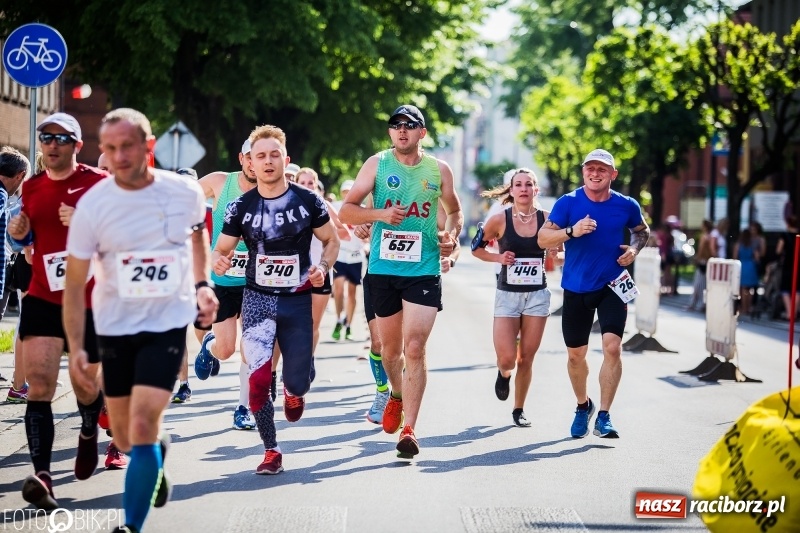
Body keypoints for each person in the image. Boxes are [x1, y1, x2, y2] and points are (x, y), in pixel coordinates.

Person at [63, 108, 218, 533]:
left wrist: (202, 283)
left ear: (148, 146)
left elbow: (196, 233)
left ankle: (131, 526)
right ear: (101, 152)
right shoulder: (93, 205)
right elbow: (75, 285)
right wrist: (77, 345)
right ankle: (155, 457)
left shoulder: (182, 192)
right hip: (115, 326)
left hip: (167, 321)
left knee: (144, 422)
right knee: (129, 437)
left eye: (127, 145)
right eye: (109, 148)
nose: (118, 155)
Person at [212, 124, 339, 474]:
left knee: (297, 381)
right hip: (257, 300)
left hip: (297, 300)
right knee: (257, 379)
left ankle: (294, 389)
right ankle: (271, 450)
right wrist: (220, 260)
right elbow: (221, 249)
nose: (267, 162)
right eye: (259, 156)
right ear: (250, 162)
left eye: (273, 155)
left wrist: (324, 266)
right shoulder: (240, 206)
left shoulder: (307, 200)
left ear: (285, 159)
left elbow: (331, 240)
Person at [339, 104, 462, 458]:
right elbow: (347, 210)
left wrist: (450, 235)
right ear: (391, 132)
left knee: (416, 347)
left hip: (423, 269)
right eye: (396, 125)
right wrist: (378, 214)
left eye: (410, 126)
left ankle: (410, 429)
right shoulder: (377, 164)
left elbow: (454, 211)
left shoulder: (439, 170)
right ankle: (395, 392)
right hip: (382, 269)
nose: (402, 131)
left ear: (422, 132)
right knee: (390, 351)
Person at [7, 113, 109, 509]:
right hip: (44, 297)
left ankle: (88, 429)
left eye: (61, 138)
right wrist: (21, 236)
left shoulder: (99, 186)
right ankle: (43, 477)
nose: (51, 144)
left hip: (89, 303)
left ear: (77, 146)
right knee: (41, 386)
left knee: (85, 383)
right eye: (45, 138)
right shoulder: (30, 188)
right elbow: (31, 237)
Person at [537, 148, 649, 439]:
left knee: (612, 347)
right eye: (590, 168)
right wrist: (572, 231)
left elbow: (642, 230)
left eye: (602, 169)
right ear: (583, 171)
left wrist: (635, 249)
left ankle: (604, 415)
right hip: (576, 287)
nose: (595, 173)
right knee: (576, 355)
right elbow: (543, 238)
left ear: (613, 174)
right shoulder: (568, 203)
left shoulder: (626, 205)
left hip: (613, 285)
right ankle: (583, 405)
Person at [472, 168, 558, 427]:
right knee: (508, 358)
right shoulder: (499, 219)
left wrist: (556, 251)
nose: (523, 189)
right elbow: (476, 249)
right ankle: (503, 373)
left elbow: (560, 251)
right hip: (507, 295)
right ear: (511, 190)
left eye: (528, 184)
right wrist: (499, 258)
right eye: (518, 184)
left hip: (537, 296)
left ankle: (518, 409)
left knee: (527, 358)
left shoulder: (548, 219)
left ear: (536, 190)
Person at [192, 140, 260, 430]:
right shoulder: (221, 182)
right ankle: (210, 346)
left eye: (261, 158)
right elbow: (184, 198)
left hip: (257, 281)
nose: (254, 164)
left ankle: (243, 407)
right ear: (242, 158)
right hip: (223, 280)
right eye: (249, 157)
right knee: (227, 349)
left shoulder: (272, 190)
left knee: (252, 347)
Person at [292, 167, 350, 352]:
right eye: (303, 183)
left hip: (319, 271)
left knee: (312, 326)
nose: (308, 186)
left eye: (311, 183)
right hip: (291, 273)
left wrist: (325, 230)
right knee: (291, 326)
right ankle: (291, 365)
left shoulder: (322, 205)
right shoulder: (286, 205)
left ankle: (306, 364)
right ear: (294, 183)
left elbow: (345, 233)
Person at [0, 147, 30, 402]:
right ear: (20, 176)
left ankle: (20, 381)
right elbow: (15, 239)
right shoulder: (2, 197)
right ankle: (20, 382)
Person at [331, 179, 365, 341]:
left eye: (349, 192)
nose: (346, 195)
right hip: (340, 254)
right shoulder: (336, 207)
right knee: (338, 289)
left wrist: (367, 244)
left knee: (352, 293)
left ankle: (349, 325)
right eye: (344, 192)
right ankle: (338, 319)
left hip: (356, 255)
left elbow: (370, 233)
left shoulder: (363, 210)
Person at [686, 219, 716, 312]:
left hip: (703, 261)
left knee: (698, 284)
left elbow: (701, 250)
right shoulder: (712, 236)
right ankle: (703, 304)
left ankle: (694, 304)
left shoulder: (704, 237)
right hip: (709, 262)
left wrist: (697, 259)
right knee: (705, 285)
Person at [734, 228, 760, 317]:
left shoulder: (738, 245)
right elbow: (757, 257)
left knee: (743, 289)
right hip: (750, 266)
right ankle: (748, 307)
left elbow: (735, 257)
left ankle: (744, 308)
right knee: (750, 289)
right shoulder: (752, 245)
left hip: (742, 265)